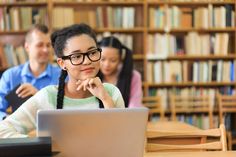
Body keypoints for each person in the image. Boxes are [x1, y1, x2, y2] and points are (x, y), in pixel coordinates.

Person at [0, 23, 124, 138]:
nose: (87, 61)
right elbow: (3, 130)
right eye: (76, 56)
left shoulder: (111, 93)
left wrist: (105, 99)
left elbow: (122, 139)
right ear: (62, 63)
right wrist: (44, 146)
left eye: (92, 52)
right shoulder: (48, 96)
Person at [0, 24, 60, 120]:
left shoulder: (62, 76)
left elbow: (66, 111)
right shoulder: (10, 76)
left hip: (53, 130)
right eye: (40, 45)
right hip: (17, 131)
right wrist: (9, 121)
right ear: (27, 47)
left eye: (48, 45)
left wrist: (39, 96)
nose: (45, 50)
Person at [98, 36, 142, 108]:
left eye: (113, 60)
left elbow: (134, 105)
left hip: (125, 117)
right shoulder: (92, 73)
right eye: (102, 59)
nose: (107, 64)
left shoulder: (134, 76)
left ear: (120, 60)